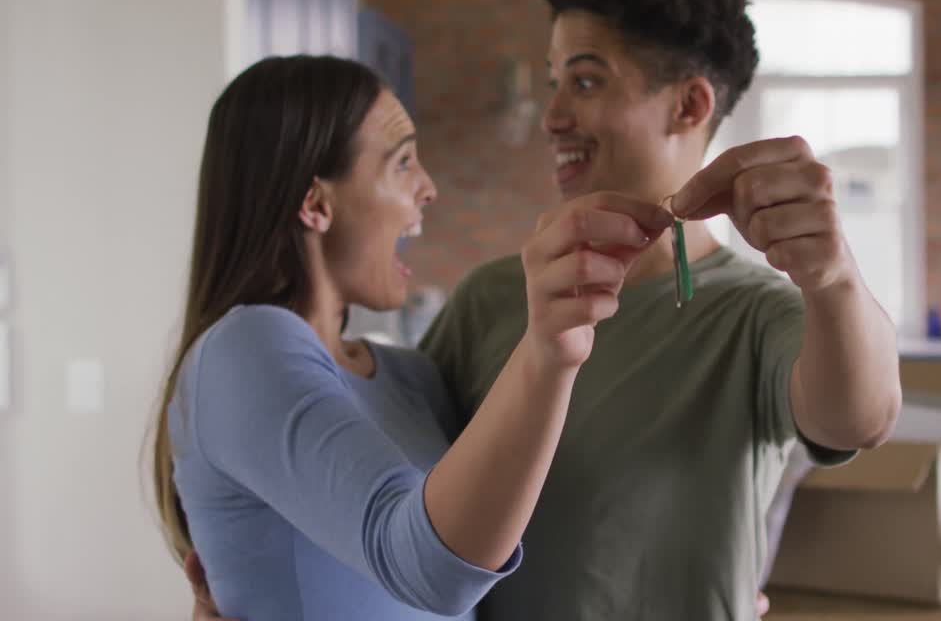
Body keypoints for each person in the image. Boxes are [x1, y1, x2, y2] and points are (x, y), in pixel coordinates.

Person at [189, 0, 901, 621]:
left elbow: (861, 418)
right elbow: (388, 493)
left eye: (585, 81)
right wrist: (246, 578)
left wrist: (834, 278)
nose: (552, 115)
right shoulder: (493, 300)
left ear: (688, 106)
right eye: (554, 81)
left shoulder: (755, 315)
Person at [152, 55, 673, 620]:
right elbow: (433, 571)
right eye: (402, 163)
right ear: (315, 203)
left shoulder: (413, 377)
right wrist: (550, 349)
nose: (428, 188)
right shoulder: (244, 348)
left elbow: (495, 561)